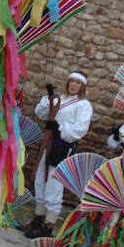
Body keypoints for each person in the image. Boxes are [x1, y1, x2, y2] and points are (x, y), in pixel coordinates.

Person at [24, 71, 93, 238]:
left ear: (82, 86)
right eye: (72, 81)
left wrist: (60, 128)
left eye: (78, 82)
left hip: (62, 145)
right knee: (41, 178)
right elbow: (41, 114)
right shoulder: (59, 99)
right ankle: (38, 218)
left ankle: (49, 224)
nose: (74, 85)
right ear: (68, 82)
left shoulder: (83, 105)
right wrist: (48, 101)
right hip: (47, 142)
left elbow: (80, 129)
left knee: (54, 183)